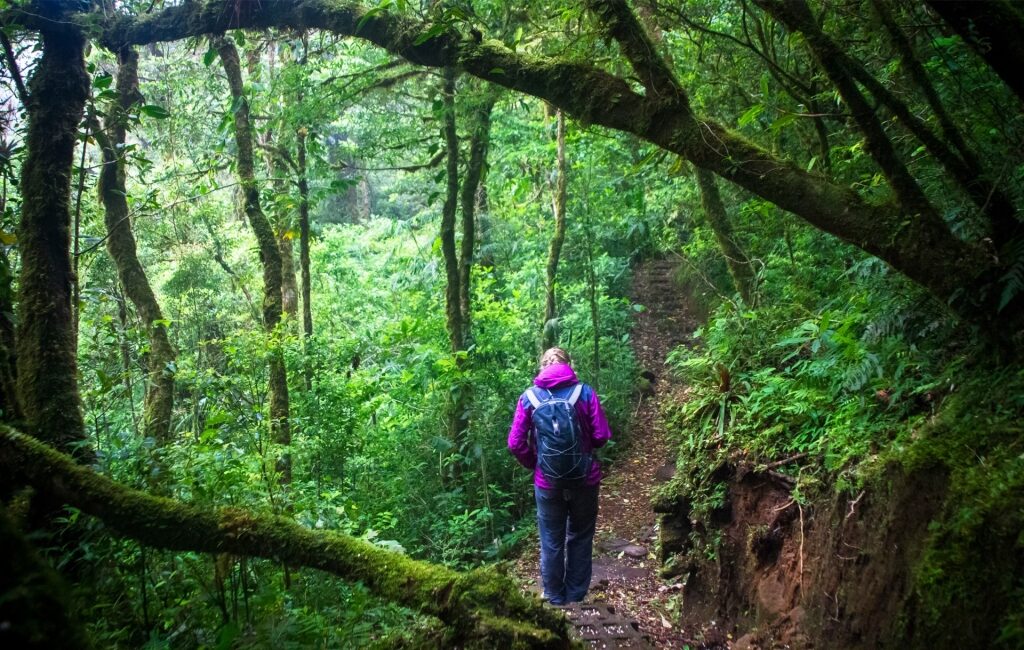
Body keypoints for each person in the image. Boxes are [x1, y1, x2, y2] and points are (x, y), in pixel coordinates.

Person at [507, 347, 612, 605]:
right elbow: (600, 436)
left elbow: (515, 443)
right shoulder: (585, 393)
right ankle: (576, 597)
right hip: (585, 480)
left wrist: (537, 464)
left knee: (551, 540)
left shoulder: (529, 397)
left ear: (542, 366)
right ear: (569, 364)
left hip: (548, 483)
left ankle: (555, 598)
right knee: (580, 536)